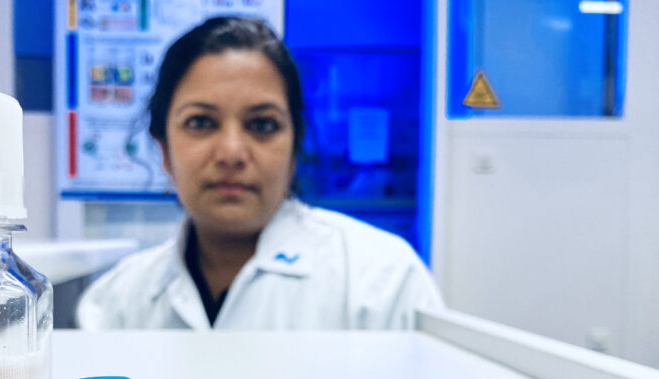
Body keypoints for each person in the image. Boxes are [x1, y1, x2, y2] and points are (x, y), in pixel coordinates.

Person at [77, 16, 442, 330]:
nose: (232, 153)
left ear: (295, 149)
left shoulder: (383, 281)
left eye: (263, 124)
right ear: (164, 150)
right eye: (201, 122)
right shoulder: (115, 303)